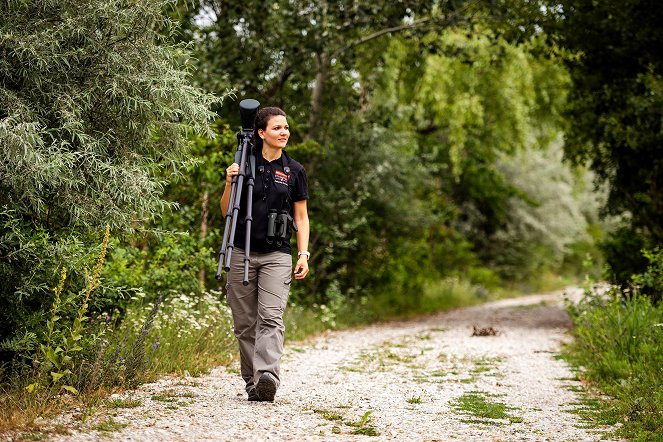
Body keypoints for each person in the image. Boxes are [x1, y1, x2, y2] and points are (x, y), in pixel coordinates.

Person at [220, 106, 310, 402]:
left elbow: (301, 216)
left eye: (286, 128)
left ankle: (267, 375)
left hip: (277, 255)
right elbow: (226, 212)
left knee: (270, 317)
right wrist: (230, 182)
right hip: (240, 252)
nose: (284, 132)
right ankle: (253, 383)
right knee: (245, 324)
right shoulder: (244, 164)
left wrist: (303, 253)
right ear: (261, 133)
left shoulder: (294, 170)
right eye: (277, 128)